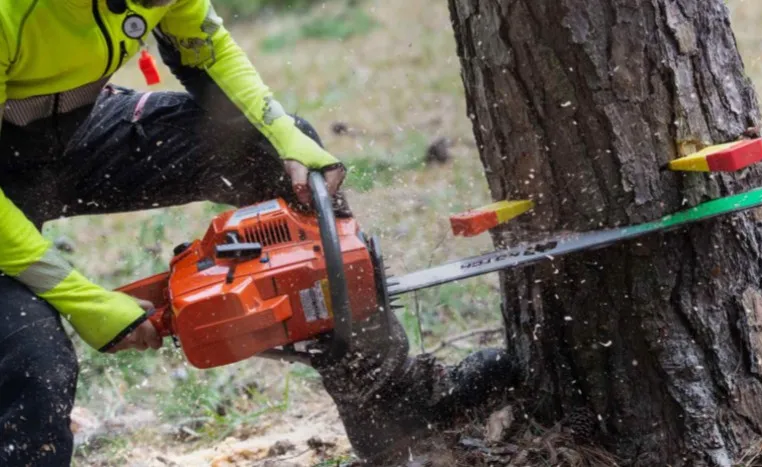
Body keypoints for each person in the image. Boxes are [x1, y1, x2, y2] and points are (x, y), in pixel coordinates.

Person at [0, 1, 517, 465]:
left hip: (66, 134)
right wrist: (83, 300)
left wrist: (285, 137)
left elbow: (206, 52)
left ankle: (394, 406)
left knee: (272, 162)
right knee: (34, 360)